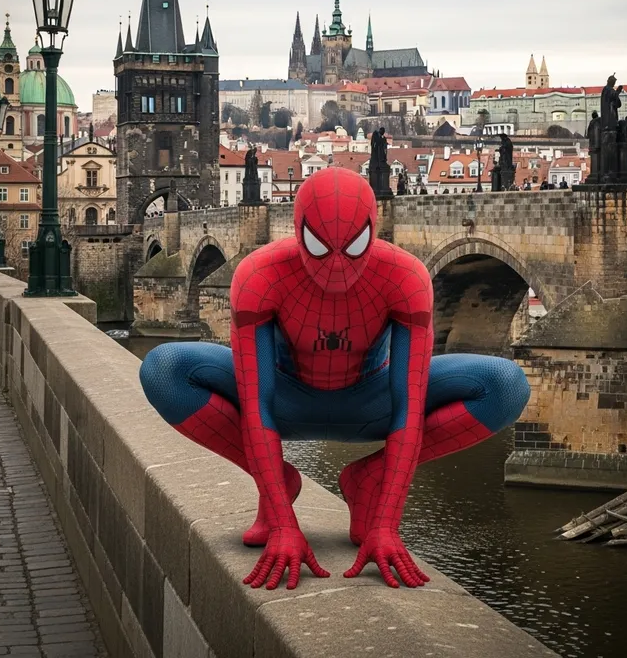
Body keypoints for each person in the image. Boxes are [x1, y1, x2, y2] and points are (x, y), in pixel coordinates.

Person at [140, 169, 529, 591]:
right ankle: (278, 481)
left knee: (506, 384)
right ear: (297, 229)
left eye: (355, 246)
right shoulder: (258, 274)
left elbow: (409, 404)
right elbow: (257, 402)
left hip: (371, 397)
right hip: (286, 395)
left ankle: (366, 478)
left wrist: (386, 523)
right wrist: (283, 521)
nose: (337, 266)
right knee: (164, 368)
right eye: (318, 246)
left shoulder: (407, 276)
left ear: (373, 230)